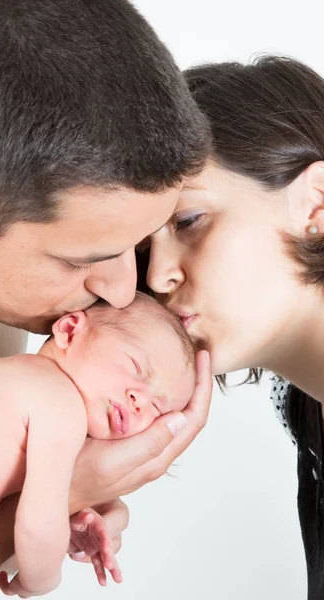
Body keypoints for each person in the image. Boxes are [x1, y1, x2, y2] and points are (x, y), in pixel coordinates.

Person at [0, 0, 213, 598]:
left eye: (132, 247)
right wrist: (24, 526)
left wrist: (75, 497)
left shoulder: (3, 309)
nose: (122, 289)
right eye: (83, 259)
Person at [143, 55, 324, 600]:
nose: (156, 275)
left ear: (315, 205)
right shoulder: (308, 417)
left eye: (188, 222)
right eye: (142, 249)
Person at [0, 293, 196, 598]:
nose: (140, 399)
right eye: (135, 366)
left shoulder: (21, 381)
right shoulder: (59, 402)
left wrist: (73, 515)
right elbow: (37, 527)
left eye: (158, 408)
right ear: (69, 331)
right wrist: (41, 580)